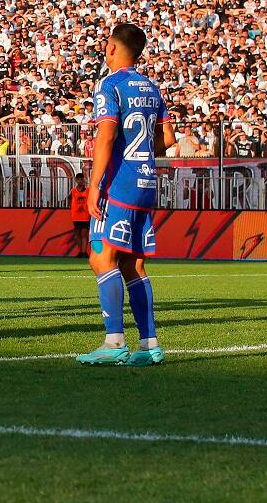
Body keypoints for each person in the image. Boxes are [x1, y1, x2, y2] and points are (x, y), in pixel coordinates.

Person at [78, 23, 174, 367]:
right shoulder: (151, 87)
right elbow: (169, 138)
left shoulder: (110, 85)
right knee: (133, 263)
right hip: (147, 182)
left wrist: (93, 185)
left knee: (101, 256)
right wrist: (141, 152)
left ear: (113, 49)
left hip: (118, 184)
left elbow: (105, 136)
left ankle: (114, 340)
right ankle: (148, 345)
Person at [69, 172, 89, 257]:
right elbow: (69, 200)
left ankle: (84, 252)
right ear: (76, 180)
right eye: (79, 179)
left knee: (84, 234)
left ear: (84, 180)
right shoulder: (73, 191)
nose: (80, 181)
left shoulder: (88, 190)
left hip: (85, 216)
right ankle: (80, 251)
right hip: (76, 216)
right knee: (77, 235)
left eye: (82, 179)